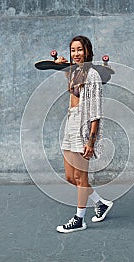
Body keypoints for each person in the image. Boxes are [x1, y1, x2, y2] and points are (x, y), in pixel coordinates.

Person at [55, 36, 113, 233]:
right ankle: (101, 203)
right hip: (70, 122)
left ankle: (79, 219)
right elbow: (73, 90)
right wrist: (62, 66)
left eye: (79, 50)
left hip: (83, 126)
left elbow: (95, 111)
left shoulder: (93, 75)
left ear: (87, 51)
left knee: (81, 176)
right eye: (73, 50)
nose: (76, 54)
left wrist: (91, 140)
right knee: (71, 177)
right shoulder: (76, 72)